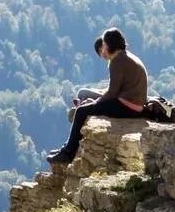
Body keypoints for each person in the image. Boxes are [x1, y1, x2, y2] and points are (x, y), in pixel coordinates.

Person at [47, 27, 147, 164]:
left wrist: (97, 102)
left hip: (127, 106)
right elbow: (115, 91)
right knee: (87, 106)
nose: (103, 48)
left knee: (82, 111)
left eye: (105, 45)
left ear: (111, 45)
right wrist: (96, 102)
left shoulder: (117, 61)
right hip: (132, 103)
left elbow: (112, 92)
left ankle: (68, 153)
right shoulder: (125, 56)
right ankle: (67, 148)